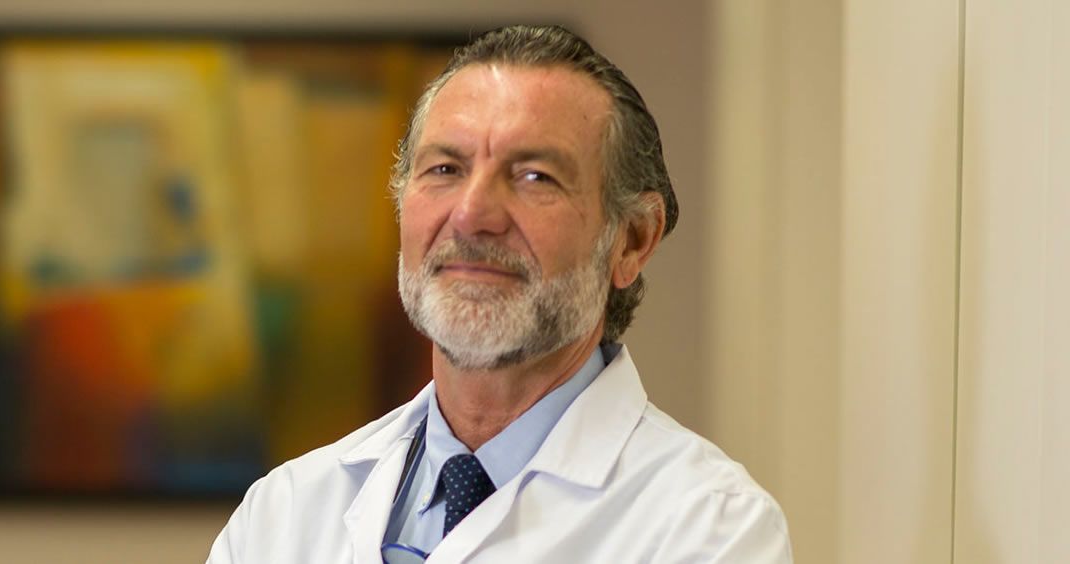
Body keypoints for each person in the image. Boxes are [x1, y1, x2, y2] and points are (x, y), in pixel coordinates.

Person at [208, 25, 792, 563]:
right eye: (444, 169)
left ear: (633, 240)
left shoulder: (710, 528)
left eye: (535, 177)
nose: (472, 215)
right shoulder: (284, 514)